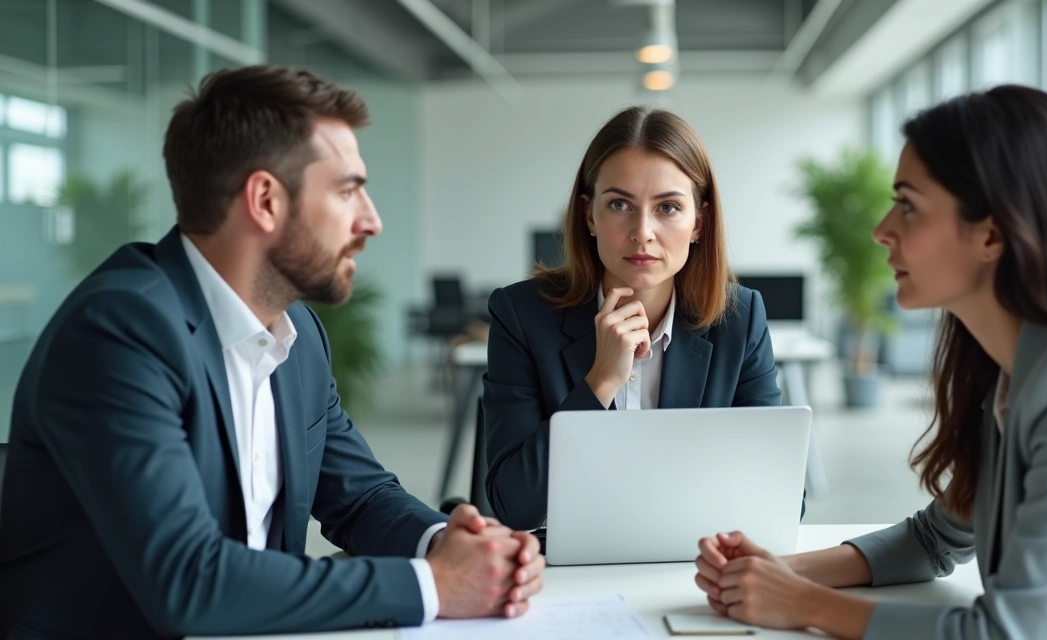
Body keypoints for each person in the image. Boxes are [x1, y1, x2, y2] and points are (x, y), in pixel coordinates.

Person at [0, 65, 544, 639]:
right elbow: (187, 579)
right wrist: (435, 586)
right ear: (264, 200)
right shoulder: (120, 331)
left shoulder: (298, 335)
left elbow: (359, 498)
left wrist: (452, 545)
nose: (372, 221)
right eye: (347, 190)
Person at [693, 85, 1047, 639]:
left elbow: (1005, 633)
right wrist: (778, 573)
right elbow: (936, 538)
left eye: (909, 205)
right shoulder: (1013, 366)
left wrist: (805, 605)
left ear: (992, 232)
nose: (882, 230)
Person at [483, 106, 785, 531]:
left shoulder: (739, 318)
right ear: (589, 215)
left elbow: (781, 496)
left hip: (688, 565)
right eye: (620, 204)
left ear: (700, 221)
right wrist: (600, 382)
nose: (642, 231)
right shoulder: (521, 316)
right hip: (566, 571)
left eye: (668, 208)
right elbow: (513, 506)